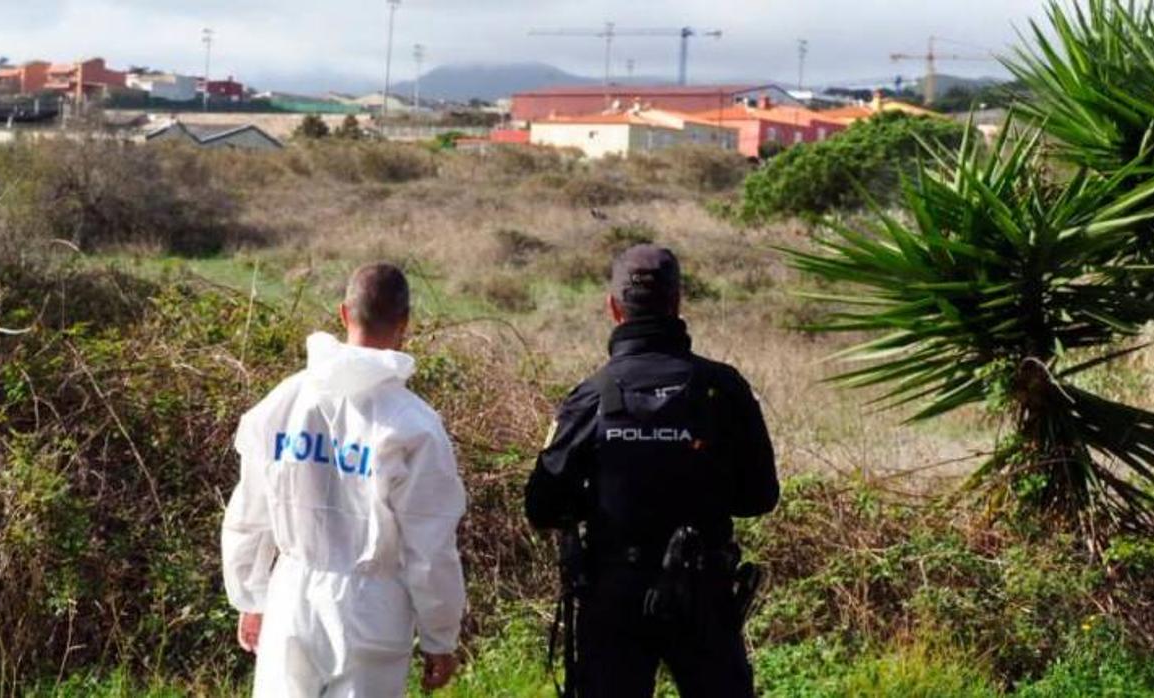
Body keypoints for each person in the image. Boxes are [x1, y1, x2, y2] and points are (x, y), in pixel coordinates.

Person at [525, 244, 780, 698]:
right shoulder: (723, 388)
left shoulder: (590, 395)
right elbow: (760, 497)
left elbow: (542, 506)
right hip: (704, 592)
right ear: (678, 301)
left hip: (613, 595)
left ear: (613, 307)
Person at [222, 263, 466, 698]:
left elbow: (248, 514)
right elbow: (429, 545)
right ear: (405, 323)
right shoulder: (414, 423)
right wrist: (439, 636)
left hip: (290, 594)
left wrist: (251, 595)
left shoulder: (285, 401)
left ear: (342, 313)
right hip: (371, 609)